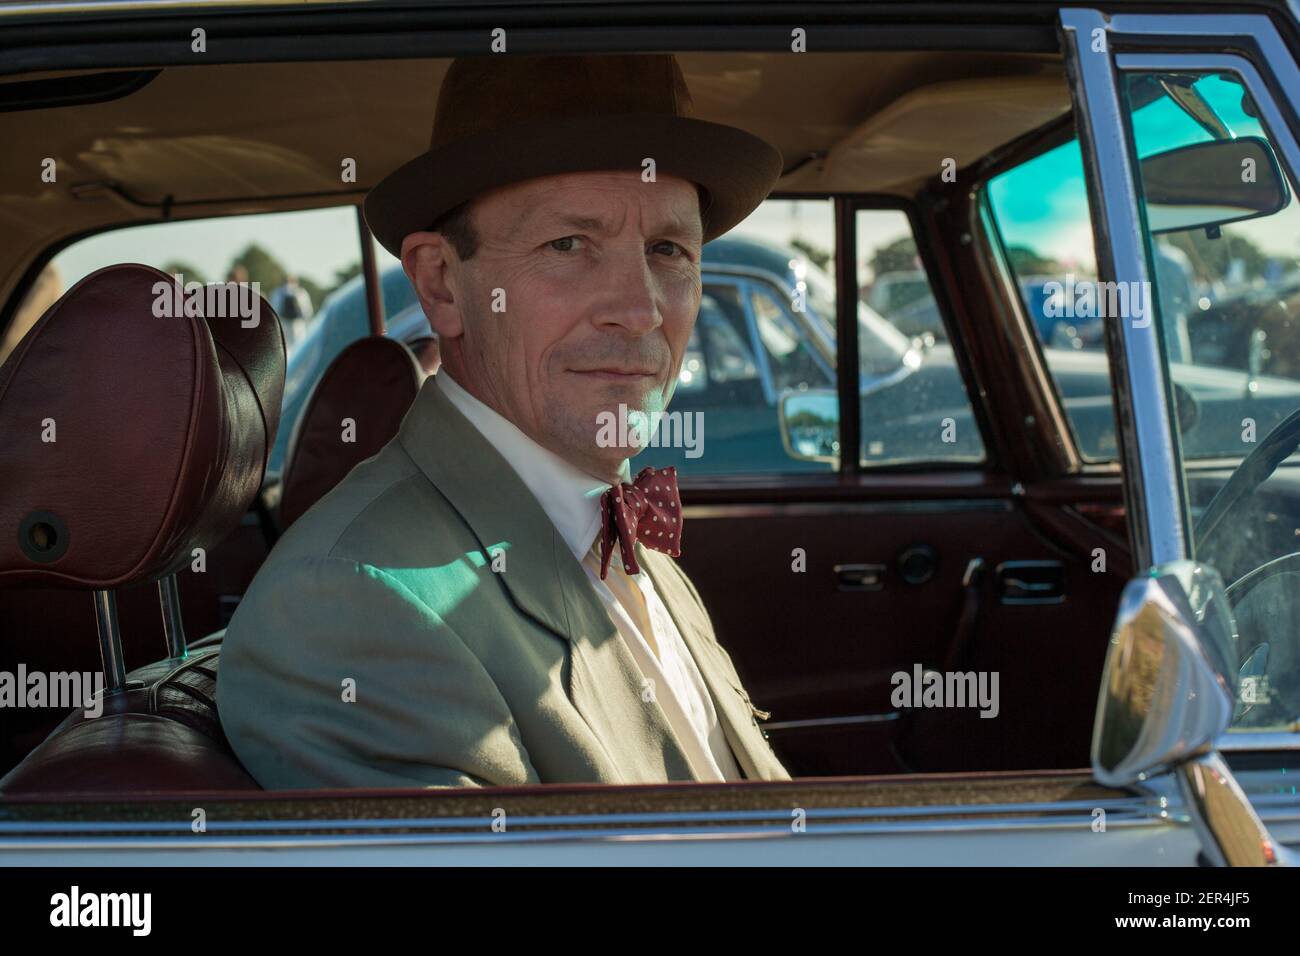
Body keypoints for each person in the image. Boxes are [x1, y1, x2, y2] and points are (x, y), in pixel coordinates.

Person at [217, 53, 791, 789]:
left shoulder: (621, 523)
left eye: (667, 250)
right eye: (569, 245)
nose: (643, 308)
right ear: (441, 285)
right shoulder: (349, 604)